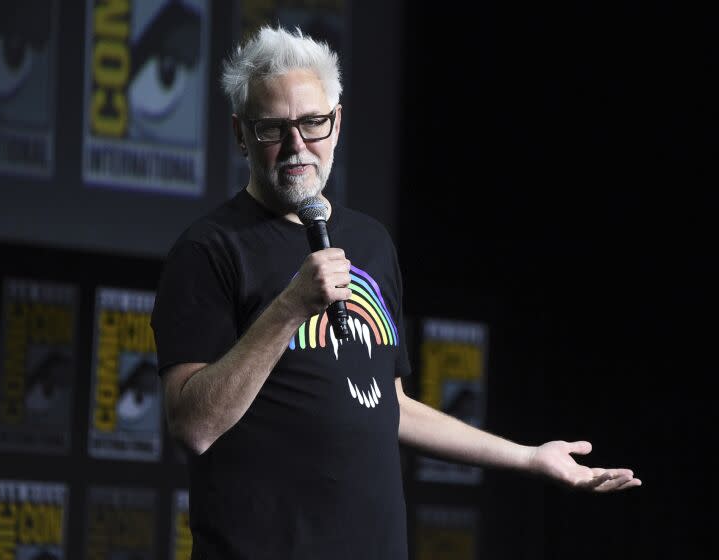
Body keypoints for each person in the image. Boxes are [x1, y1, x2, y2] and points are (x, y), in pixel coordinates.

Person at [150, 25, 641, 560]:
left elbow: (392, 405)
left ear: (337, 122)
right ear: (241, 135)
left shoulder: (371, 242)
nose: (297, 145)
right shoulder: (208, 251)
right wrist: (290, 308)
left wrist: (527, 458)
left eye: (313, 122)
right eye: (273, 128)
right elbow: (193, 426)